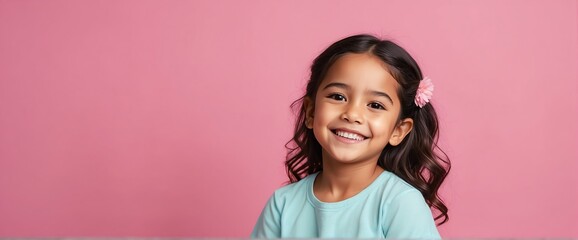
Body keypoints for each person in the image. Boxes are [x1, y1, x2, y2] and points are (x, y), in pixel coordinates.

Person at [251, 34, 451, 238]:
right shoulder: (283, 203)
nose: (352, 115)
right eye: (338, 97)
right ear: (311, 112)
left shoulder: (400, 203)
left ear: (398, 130)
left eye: (375, 105)